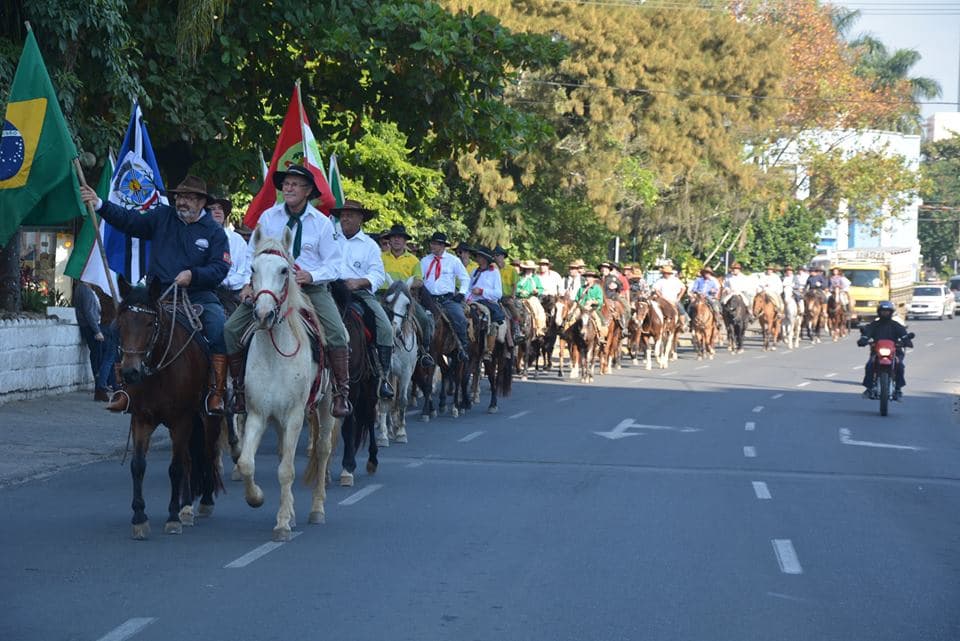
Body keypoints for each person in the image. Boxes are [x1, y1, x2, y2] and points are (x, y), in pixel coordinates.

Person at [80, 175, 230, 414]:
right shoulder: (162, 216)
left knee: (219, 327)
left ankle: (216, 392)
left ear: (202, 202)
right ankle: (124, 390)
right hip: (158, 297)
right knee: (125, 324)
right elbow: (131, 221)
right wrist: (100, 204)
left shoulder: (214, 232)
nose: (182, 202)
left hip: (197, 297)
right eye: (180, 197)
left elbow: (220, 268)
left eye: (190, 198)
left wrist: (194, 275)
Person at [223, 165, 351, 418]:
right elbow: (252, 253)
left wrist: (311, 275)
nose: (288, 188)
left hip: (310, 289)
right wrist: (250, 283)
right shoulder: (269, 217)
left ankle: (341, 393)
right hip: (270, 287)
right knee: (230, 329)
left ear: (308, 191)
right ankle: (237, 390)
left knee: (338, 333)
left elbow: (335, 264)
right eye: (286, 184)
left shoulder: (322, 223)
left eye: (295, 184)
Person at [332, 200, 396, 398]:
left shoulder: (370, 246)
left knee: (385, 327)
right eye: (342, 214)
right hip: (329, 289)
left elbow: (378, 274)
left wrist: (359, 282)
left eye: (350, 214)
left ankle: (383, 377)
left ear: (361, 218)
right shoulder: (330, 238)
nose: (345, 218)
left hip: (358, 293)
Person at [380, 223, 434, 366]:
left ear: (405, 241)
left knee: (424, 318)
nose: (397, 240)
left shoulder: (414, 260)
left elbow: (419, 281)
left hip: (405, 297)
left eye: (400, 238)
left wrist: (404, 286)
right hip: (384, 297)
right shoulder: (381, 257)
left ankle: (424, 351)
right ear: (389, 241)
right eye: (394, 238)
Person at [421, 231, 470, 358]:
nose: (433, 246)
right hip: (427, 299)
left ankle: (462, 348)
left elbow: (465, 278)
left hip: (447, 299)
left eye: (436, 244)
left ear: (443, 246)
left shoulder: (453, 261)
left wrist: (461, 293)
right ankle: (419, 349)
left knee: (460, 318)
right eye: (432, 243)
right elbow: (419, 278)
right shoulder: (425, 261)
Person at [857, 301, 913, 399]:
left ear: (891, 312)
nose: (885, 313)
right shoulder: (874, 325)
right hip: (877, 352)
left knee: (900, 365)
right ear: (879, 312)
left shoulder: (896, 325)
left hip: (894, 351)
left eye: (887, 311)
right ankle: (869, 389)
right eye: (883, 311)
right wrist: (863, 340)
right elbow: (867, 334)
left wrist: (906, 341)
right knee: (869, 365)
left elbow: (904, 336)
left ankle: (898, 390)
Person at [209, 194, 249, 316]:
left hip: (233, 292)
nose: (217, 211)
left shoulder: (238, 240)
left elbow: (244, 271)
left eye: (220, 208)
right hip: (206, 290)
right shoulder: (198, 238)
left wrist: (226, 282)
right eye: (212, 208)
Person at [465, 246, 507, 361]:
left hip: (488, 302)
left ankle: (489, 349)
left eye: (479, 256)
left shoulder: (494, 272)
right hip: (472, 301)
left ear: (484, 259)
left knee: (492, 321)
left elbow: (498, 293)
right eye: (477, 256)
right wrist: (467, 298)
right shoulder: (474, 271)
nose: (477, 258)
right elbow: (468, 288)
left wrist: (482, 291)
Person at [73, 281, 109, 402]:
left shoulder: (83, 289)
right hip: (90, 327)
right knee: (97, 357)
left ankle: (100, 387)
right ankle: (99, 388)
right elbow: (88, 312)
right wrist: (97, 331)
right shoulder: (85, 290)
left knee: (98, 355)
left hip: (90, 326)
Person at [493, 246, 521, 342]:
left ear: (503, 256)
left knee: (512, 306)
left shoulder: (511, 269)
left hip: (506, 296)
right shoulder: (492, 268)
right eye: (494, 255)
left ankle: (517, 329)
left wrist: (512, 295)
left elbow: (514, 284)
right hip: (494, 297)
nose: (496, 257)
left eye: (498, 255)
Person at [516, 260, 546, 336]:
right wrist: (520, 291)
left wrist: (537, 291)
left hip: (532, 298)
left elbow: (541, 288)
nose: (529, 270)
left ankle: (540, 328)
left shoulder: (535, 278)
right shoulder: (519, 277)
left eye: (530, 268)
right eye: (527, 268)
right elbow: (514, 287)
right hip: (519, 298)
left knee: (540, 311)